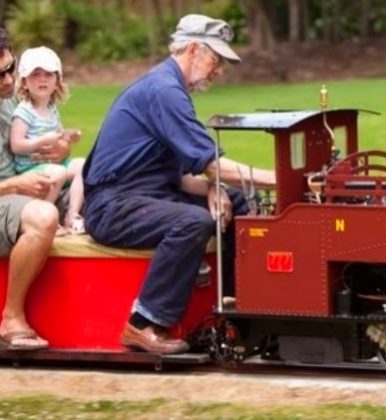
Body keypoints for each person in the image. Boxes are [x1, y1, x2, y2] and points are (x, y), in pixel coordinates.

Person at [82, 14, 274, 354]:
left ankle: (234, 308)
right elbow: (212, 163)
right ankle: (141, 323)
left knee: (240, 200)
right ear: (193, 49)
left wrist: (215, 187)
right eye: (216, 59)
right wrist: (280, 179)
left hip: (149, 195)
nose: (219, 70)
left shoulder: (170, 88)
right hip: (112, 205)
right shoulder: (164, 91)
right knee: (193, 221)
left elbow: (189, 172)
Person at [0, 28, 72, 350]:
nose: (8, 80)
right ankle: (11, 317)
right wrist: (17, 184)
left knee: (103, 178)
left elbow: (30, 150)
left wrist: (58, 152)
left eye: (11, 69)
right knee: (43, 216)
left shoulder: (14, 102)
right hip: (6, 195)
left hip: (23, 188)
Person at [10, 46, 84, 234]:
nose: (42, 79)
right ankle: (48, 218)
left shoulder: (51, 108)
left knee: (82, 165)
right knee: (58, 172)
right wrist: (42, 141)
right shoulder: (24, 111)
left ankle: (72, 216)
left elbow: (57, 134)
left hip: (51, 164)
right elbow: (16, 145)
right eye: (35, 74)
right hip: (30, 168)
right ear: (24, 82)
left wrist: (68, 136)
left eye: (49, 74)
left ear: (57, 81)